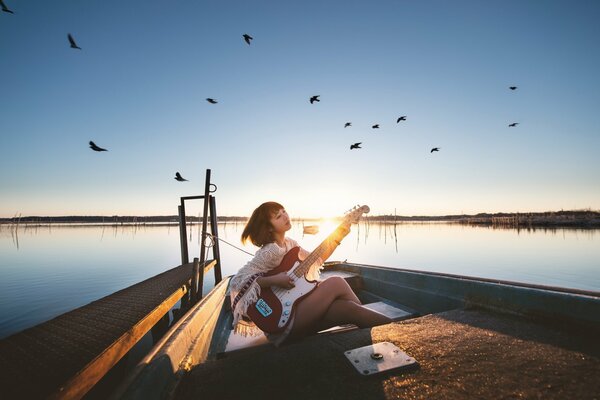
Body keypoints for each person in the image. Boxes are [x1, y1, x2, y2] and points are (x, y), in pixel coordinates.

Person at [230, 201, 391, 346]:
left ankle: (393, 332)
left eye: (284, 211)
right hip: (282, 321)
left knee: (347, 309)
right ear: (269, 228)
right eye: (278, 216)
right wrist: (275, 280)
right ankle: (391, 333)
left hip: (297, 309)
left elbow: (317, 259)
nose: (285, 216)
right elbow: (237, 281)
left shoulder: (290, 244)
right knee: (336, 282)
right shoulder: (270, 251)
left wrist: (339, 234)